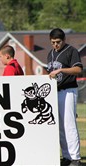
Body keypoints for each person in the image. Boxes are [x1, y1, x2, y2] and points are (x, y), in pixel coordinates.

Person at [47, 28, 83, 166]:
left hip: (68, 90)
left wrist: (62, 69)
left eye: (58, 42)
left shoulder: (71, 51)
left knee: (69, 124)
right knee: (60, 125)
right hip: (55, 91)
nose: (55, 45)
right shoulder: (50, 53)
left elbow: (78, 69)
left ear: (64, 40)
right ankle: (66, 156)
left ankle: (75, 157)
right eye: (53, 42)